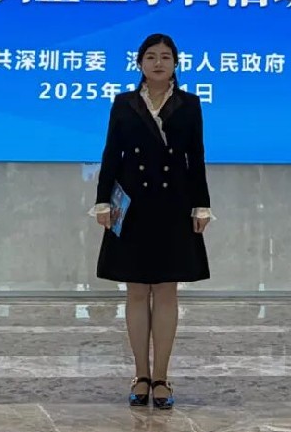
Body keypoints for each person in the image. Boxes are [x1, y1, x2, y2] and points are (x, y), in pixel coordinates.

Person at [91, 33, 214, 410]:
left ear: (176, 63)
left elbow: (196, 158)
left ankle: (161, 377)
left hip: (174, 205)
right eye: (151, 56)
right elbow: (111, 155)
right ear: (139, 63)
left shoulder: (189, 104)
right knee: (135, 290)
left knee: (166, 290)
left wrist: (202, 206)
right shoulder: (124, 103)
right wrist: (101, 200)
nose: (158, 63)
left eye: (165, 57)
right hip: (132, 207)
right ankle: (140, 375)